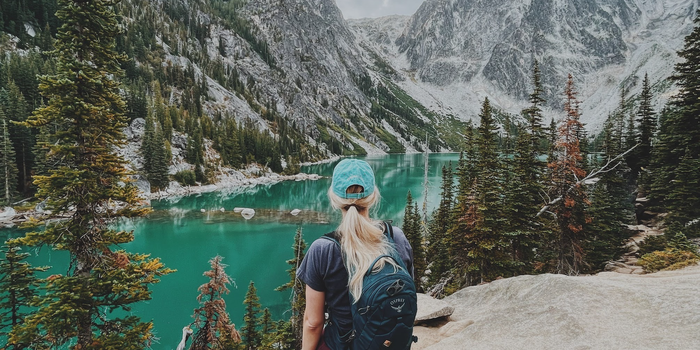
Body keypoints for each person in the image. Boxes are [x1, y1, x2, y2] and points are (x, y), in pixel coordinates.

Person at [297, 159, 414, 350]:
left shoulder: (322, 250)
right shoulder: (397, 237)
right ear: (373, 196)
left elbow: (313, 323)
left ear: (334, 198)